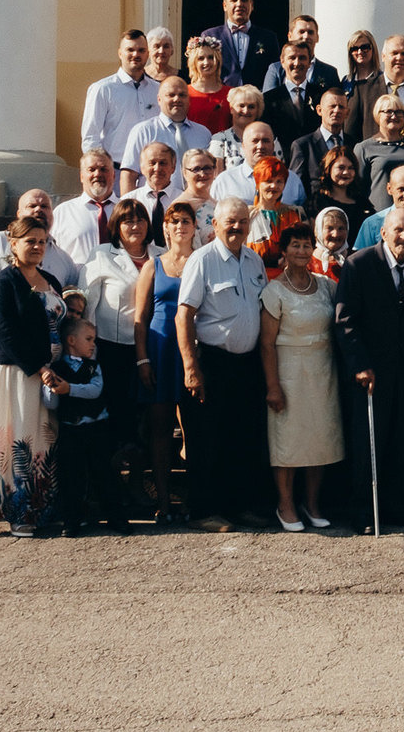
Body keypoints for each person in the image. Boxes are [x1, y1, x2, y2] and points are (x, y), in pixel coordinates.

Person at [334, 205, 404, 534]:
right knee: (369, 442)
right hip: (371, 372)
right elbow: (345, 320)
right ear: (383, 232)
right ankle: (365, 511)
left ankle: (400, 506)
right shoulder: (359, 264)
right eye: (398, 230)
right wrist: (360, 364)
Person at [0, 217, 66, 533]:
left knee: (41, 440)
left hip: (48, 372)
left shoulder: (50, 280)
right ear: (13, 244)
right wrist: (38, 366)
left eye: (41, 241)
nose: (36, 247)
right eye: (30, 241)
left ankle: (37, 510)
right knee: (16, 439)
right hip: (13, 370)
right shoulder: (3, 281)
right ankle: (16, 514)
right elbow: (4, 330)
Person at [176, 198, 272, 531]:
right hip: (212, 362)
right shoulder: (201, 261)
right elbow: (184, 315)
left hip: (247, 365)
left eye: (243, 221)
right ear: (215, 225)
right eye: (230, 222)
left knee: (242, 438)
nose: (237, 227)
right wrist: (191, 367)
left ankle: (237, 507)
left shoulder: (254, 261)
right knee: (207, 439)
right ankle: (203, 511)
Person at [259, 222, 343, 532]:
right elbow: (266, 343)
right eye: (294, 245)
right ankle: (286, 503)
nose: (301, 250)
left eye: (306, 245)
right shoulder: (274, 291)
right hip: (288, 372)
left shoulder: (326, 285)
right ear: (283, 250)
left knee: (318, 441)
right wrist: (273, 387)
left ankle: (312, 503)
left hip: (323, 372)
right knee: (289, 443)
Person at [81, 202, 154, 511]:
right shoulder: (101, 256)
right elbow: (87, 307)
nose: (134, 226)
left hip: (152, 350)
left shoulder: (160, 254)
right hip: (111, 352)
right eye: (127, 221)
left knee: (145, 425)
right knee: (114, 424)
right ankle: (108, 493)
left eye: (140, 220)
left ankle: (138, 487)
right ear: (116, 226)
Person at [131, 200, 200, 523]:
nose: (180, 226)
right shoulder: (152, 266)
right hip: (159, 350)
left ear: (195, 227)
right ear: (166, 228)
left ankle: (191, 499)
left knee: (193, 430)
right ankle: (163, 500)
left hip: (192, 353)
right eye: (174, 221)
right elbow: (140, 318)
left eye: (186, 220)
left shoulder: (202, 261)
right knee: (160, 430)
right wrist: (142, 359)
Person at [36, 315, 115, 536]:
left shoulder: (93, 367)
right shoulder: (57, 368)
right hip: (71, 429)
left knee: (104, 472)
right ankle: (71, 520)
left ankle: (115, 516)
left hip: (96, 427)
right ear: (71, 340)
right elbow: (51, 403)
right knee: (71, 477)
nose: (93, 344)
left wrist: (69, 388)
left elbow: (95, 390)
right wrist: (50, 387)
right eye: (89, 339)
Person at [82, 30, 159, 167]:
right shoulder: (103, 89)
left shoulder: (158, 90)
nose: (136, 54)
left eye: (141, 50)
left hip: (151, 172)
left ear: (147, 54)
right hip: (116, 170)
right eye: (130, 50)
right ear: (120, 53)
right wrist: (101, 169)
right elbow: (91, 137)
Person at [199, 0, 279, 90]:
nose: (239, 4)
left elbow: (275, 72)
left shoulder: (268, 38)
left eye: (244, 0)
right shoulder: (209, 35)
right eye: (234, 0)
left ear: (252, 5)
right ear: (225, 6)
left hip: (257, 101)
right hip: (222, 100)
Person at [124, 75, 212, 171]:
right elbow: (129, 173)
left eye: (182, 95)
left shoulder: (203, 133)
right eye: (171, 95)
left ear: (189, 100)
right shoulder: (144, 131)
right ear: (159, 99)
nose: (177, 99)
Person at [48, 149, 119, 269]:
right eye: (91, 169)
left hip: (121, 283)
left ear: (113, 175)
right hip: (78, 283)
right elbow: (51, 254)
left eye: (103, 169)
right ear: (81, 176)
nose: (97, 174)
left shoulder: (128, 211)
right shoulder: (63, 212)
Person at [355, 93, 404, 209]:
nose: (394, 116)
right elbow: (358, 189)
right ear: (378, 114)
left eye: (399, 112)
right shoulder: (364, 148)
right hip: (378, 215)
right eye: (388, 112)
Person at [287, 80, 360, 191]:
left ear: (347, 113)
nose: (337, 110)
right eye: (332, 106)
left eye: (341, 107)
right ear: (319, 110)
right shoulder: (303, 146)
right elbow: (295, 188)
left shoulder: (355, 145)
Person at [351, 33, 404, 144]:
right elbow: (351, 133)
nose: (399, 58)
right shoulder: (362, 90)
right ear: (383, 56)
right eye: (394, 53)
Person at [115, 139, 181, 243]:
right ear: (142, 167)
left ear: (173, 167)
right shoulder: (127, 201)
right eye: (152, 163)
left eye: (163, 163)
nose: (157, 168)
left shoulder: (183, 200)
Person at [183, 35, 233, 133]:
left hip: (224, 146)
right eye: (201, 58)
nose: (206, 62)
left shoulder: (231, 93)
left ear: (218, 61)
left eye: (210, 57)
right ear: (194, 62)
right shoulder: (184, 93)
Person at [310, 206, 354, 279]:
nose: (336, 234)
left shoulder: (355, 261)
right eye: (330, 228)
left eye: (341, 228)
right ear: (319, 231)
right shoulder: (306, 262)